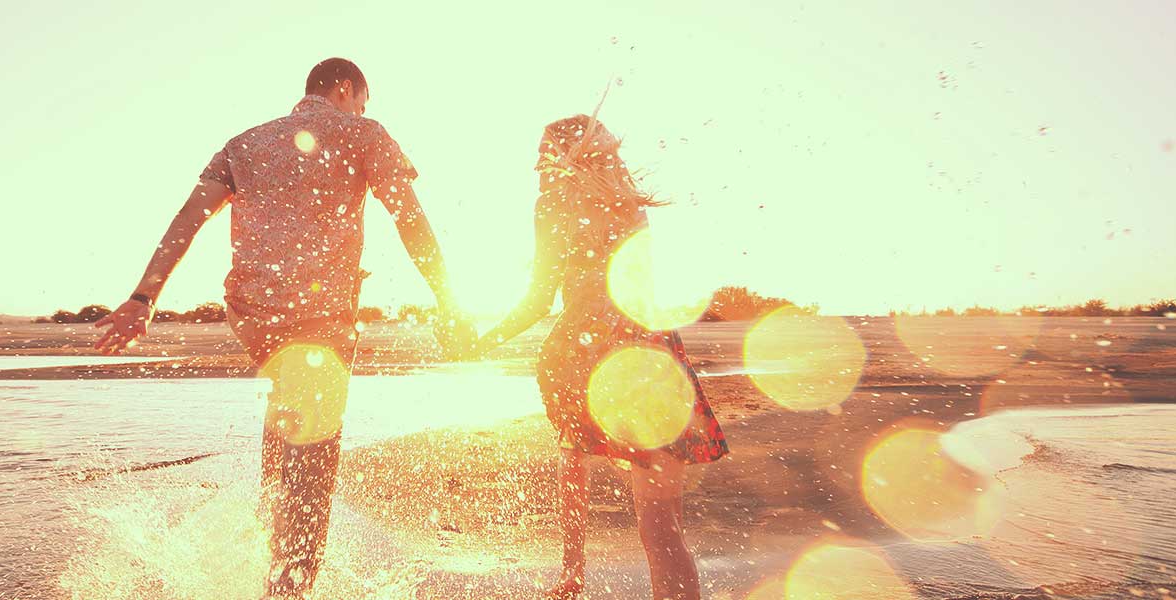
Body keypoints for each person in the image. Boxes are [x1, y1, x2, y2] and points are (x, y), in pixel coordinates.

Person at [93, 57, 474, 598]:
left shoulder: (245, 142)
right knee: (313, 468)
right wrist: (448, 299)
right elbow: (408, 218)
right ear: (346, 89)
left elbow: (189, 218)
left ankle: (266, 547)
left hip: (253, 314)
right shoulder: (364, 134)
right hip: (319, 316)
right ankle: (288, 589)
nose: (363, 111)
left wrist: (143, 298)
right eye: (362, 102)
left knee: (286, 419)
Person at [472, 115, 728, 600]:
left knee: (574, 451)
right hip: (652, 356)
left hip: (589, 354)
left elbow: (539, 300)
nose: (538, 166)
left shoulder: (553, 204)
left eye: (544, 154)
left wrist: (483, 341)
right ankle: (578, 573)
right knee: (663, 526)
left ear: (563, 158)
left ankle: (572, 571)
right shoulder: (629, 202)